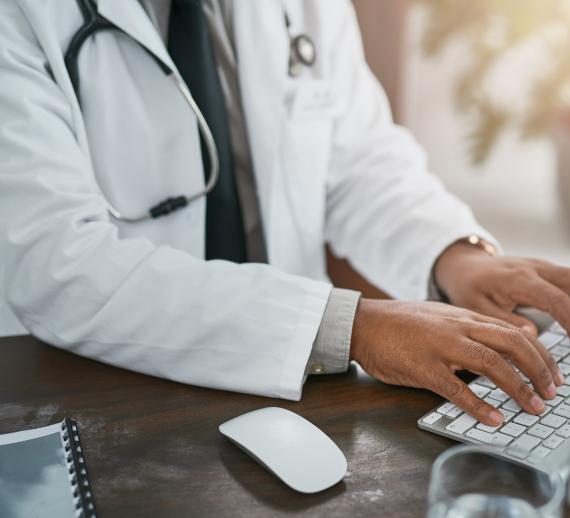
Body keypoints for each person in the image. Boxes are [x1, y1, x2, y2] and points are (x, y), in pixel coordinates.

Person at [0, 0, 569, 429]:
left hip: (295, 376)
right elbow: (60, 265)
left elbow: (355, 156)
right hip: (104, 392)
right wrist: (351, 327)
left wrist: (456, 255)